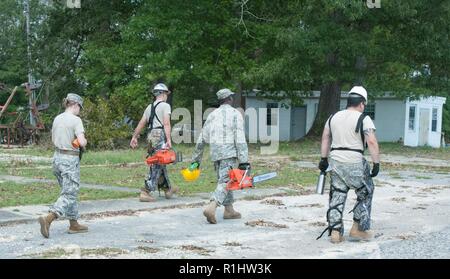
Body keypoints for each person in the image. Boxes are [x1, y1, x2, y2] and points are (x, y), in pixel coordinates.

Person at [317, 86, 380, 243]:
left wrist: (323, 159)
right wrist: (376, 163)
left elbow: (325, 137)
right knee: (366, 191)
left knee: (337, 194)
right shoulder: (363, 118)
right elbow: (371, 141)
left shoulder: (333, 117)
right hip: (355, 161)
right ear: (362, 104)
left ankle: (335, 232)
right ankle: (357, 229)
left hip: (336, 161)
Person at [190, 88, 249, 224]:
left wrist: (196, 161)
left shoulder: (212, 115)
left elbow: (201, 139)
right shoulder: (235, 114)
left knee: (225, 179)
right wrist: (244, 161)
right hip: (229, 153)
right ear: (229, 99)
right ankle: (212, 206)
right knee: (226, 181)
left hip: (215, 154)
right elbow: (239, 138)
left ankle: (229, 210)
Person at [38, 93, 88, 238]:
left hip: (57, 158)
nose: (80, 110)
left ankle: (74, 224)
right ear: (75, 105)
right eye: (80, 107)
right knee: (69, 193)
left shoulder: (57, 118)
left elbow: (53, 138)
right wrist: (82, 141)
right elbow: (82, 142)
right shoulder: (76, 120)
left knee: (68, 192)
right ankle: (49, 217)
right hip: (69, 159)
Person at [130, 83, 178, 202]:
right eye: (166, 93)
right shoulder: (165, 106)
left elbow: (141, 123)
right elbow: (166, 123)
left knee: (160, 161)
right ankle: (146, 191)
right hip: (160, 134)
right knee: (158, 162)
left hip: (151, 135)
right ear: (162, 93)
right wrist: (168, 139)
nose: (167, 96)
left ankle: (168, 189)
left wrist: (134, 137)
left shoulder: (149, 107)